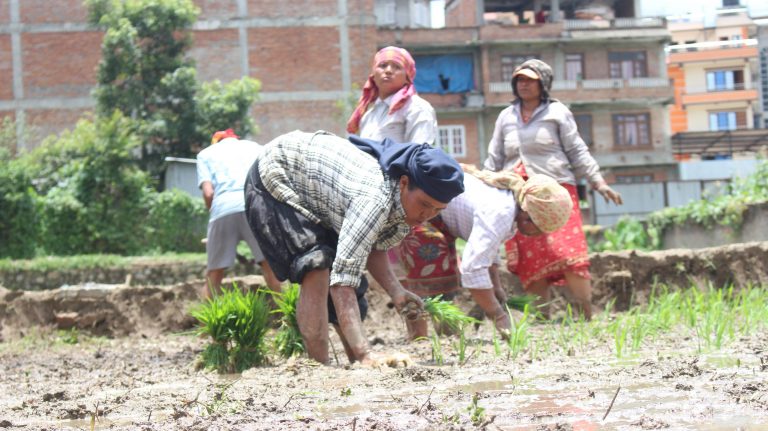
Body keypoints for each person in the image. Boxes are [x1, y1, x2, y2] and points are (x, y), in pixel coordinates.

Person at [244, 131, 465, 365]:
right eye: (424, 204)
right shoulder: (374, 200)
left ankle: (355, 361)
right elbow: (342, 283)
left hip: (321, 194)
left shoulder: (402, 205)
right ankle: (320, 366)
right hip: (278, 175)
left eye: (437, 210)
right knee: (316, 265)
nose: (427, 215)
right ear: (404, 183)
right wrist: (366, 354)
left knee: (349, 280)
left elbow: (371, 246)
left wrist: (396, 290)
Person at [484, 59, 623, 319]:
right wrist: (485, 185)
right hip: (520, 198)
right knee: (532, 258)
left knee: (568, 252)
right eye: (519, 80)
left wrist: (599, 182)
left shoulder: (557, 112)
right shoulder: (506, 116)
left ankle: (585, 314)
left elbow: (577, 150)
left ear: (543, 83)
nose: (523, 85)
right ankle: (541, 318)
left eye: (530, 80)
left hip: (556, 193)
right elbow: (495, 157)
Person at [398, 166, 572, 339]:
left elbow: (488, 249)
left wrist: (496, 286)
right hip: (423, 213)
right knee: (429, 278)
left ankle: (446, 337)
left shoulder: (512, 209)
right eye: (539, 229)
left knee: (446, 282)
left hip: (441, 221)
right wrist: (498, 316)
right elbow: (472, 269)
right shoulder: (501, 212)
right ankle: (419, 338)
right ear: (528, 217)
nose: (538, 235)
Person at [196, 129, 282, 298]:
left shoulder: (205, 154)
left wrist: (215, 219)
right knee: (270, 266)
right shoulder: (255, 147)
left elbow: (208, 193)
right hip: (254, 206)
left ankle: (207, 314)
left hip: (223, 208)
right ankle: (286, 311)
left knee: (214, 273)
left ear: (216, 142)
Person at [347, 46, 437, 145]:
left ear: (407, 78)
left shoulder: (417, 108)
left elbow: (419, 151)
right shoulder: (368, 116)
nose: (388, 71)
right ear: (373, 76)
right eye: (383, 65)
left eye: (397, 67)